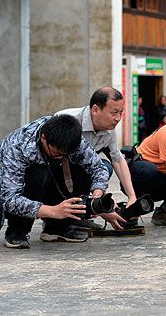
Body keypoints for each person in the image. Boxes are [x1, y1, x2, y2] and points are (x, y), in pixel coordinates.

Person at [0, 114, 113, 249]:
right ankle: (17, 230)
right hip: (14, 192)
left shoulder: (72, 138)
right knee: (39, 172)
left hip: (50, 181)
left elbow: (98, 168)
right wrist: (53, 211)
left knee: (102, 166)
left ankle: (56, 227)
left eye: (65, 154)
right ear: (44, 139)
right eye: (57, 153)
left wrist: (97, 192)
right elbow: (9, 199)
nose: (61, 156)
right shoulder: (17, 146)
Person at [56, 87, 137, 229]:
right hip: (55, 172)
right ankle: (57, 219)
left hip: (79, 172)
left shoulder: (109, 130)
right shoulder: (69, 120)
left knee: (105, 166)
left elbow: (117, 160)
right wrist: (102, 208)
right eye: (114, 113)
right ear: (95, 110)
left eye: (121, 112)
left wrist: (132, 197)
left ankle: (79, 215)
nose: (118, 118)